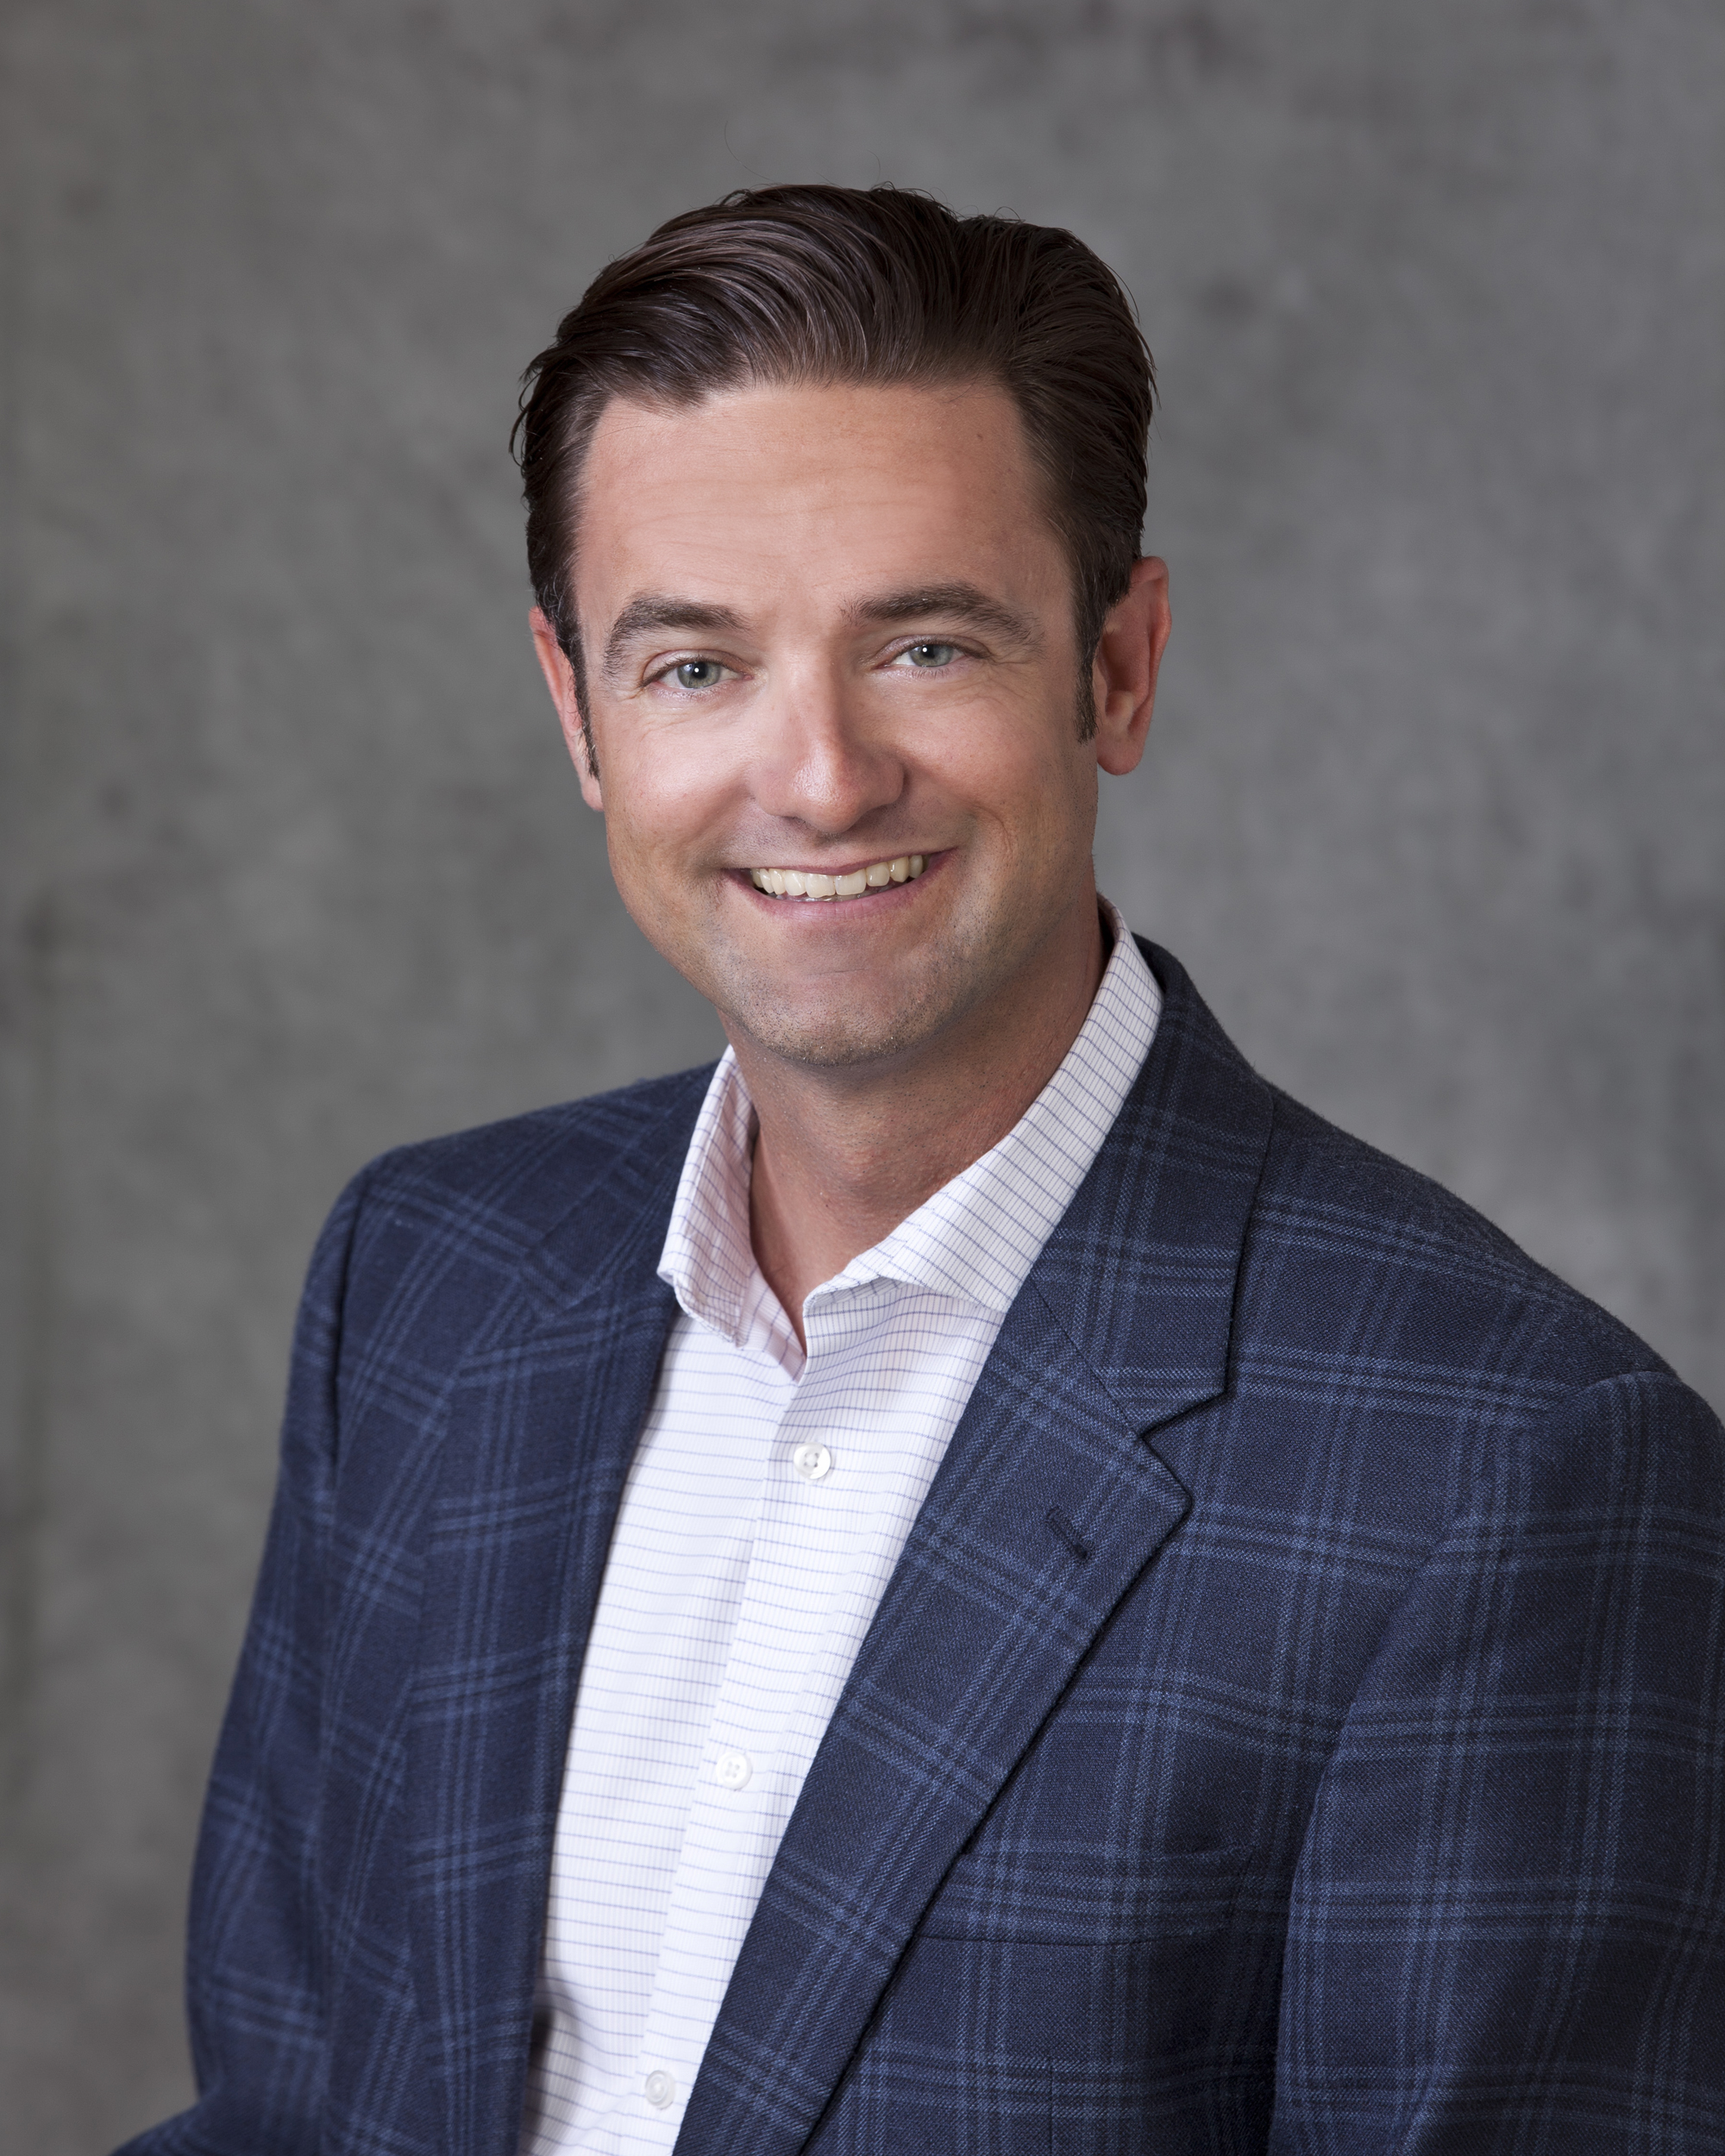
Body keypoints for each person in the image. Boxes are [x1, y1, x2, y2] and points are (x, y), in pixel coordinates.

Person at [118, 185, 1724, 2156]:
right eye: (693, 666)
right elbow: (288, 2109)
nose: (816, 776)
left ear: (1116, 667)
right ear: (577, 711)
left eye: (926, 645)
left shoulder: (1508, 1470)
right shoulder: (426, 1276)